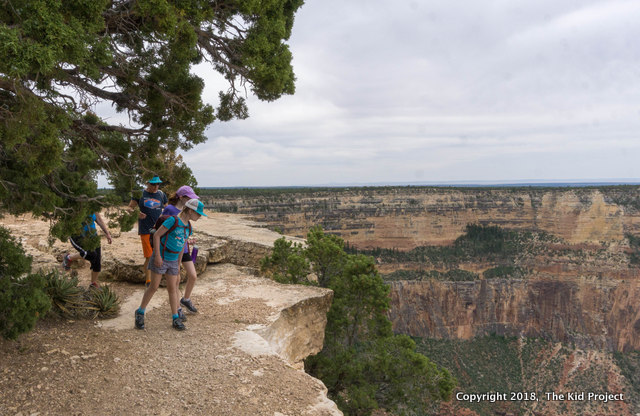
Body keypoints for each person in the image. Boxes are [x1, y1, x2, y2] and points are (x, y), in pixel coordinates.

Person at [134, 198, 207, 331]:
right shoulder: (173, 221)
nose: (199, 216)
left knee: (173, 288)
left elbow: (181, 245)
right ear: (190, 211)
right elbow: (156, 235)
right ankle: (140, 312)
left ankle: (175, 318)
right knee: (154, 287)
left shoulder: (188, 227)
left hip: (173, 261)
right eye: (198, 213)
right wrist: (157, 256)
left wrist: (178, 264)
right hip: (161, 258)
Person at [162, 185, 201, 319]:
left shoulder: (186, 212)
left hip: (183, 249)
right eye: (190, 198)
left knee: (193, 275)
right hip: (172, 250)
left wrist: (187, 240)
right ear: (182, 197)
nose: (191, 200)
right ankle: (177, 308)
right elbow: (164, 228)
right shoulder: (170, 209)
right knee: (176, 279)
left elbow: (182, 230)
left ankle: (186, 299)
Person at [128, 176, 168, 286]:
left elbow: (167, 209)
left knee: (159, 253)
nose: (156, 186)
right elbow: (129, 208)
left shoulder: (161, 194)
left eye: (158, 184)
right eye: (153, 184)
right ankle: (148, 281)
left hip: (159, 229)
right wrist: (137, 214)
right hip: (145, 229)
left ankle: (158, 278)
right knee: (149, 256)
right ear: (147, 183)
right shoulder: (139, 194)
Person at [62, 212, 113, 289]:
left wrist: (107, 233)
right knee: (91, 254)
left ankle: (93, 284)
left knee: (97, 263)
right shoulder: (76, 204)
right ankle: (69, 257)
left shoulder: (93, 204)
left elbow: (98, 219)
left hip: (92, 236)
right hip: (77, 236)